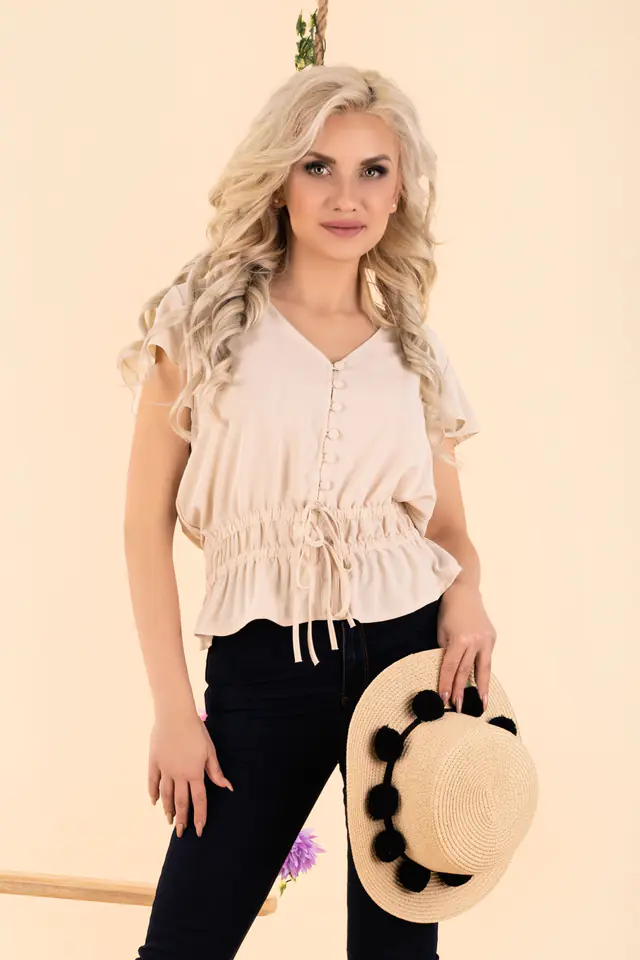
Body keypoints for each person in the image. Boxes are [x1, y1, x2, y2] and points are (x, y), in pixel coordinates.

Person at [118, 64, 497, 960]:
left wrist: (468, 593)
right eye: (318, 166)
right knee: (185, 945)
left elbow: (446, 532)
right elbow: (143, 526)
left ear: (400, 191)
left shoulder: (414, 350)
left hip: (407, 662)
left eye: (373, 170)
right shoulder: (205, 325)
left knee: (398, 953)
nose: (346, 196)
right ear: (280, 179)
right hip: (263, 668)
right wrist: (174, 711)